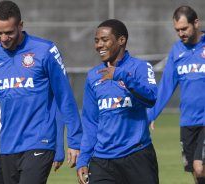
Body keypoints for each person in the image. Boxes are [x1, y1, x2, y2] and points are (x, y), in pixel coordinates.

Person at [0, 1, 82, 184]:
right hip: (8, 144)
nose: (3, 38)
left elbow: (64, 97)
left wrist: (74, 141)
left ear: (20, 26)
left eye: (9, 32)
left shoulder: (45, 51)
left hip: (39, 140)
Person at [76, 19, 159, 184]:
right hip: (102, 160)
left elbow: (151, 98)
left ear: (122, 40)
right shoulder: (93, 76)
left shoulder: (140, 67)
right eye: (96, 41)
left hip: (137, 155)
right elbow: (91, 122)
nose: (99, 45)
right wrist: (83, 159)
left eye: (104, 40)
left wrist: (122, 76)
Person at [147, 5, 205, 184]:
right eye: (177, 30)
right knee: (195, 174)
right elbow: (166, 85)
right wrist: (152, 113)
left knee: (199, 166)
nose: (181, 33)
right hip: (187, 121)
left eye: (184, 28)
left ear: (196, 23)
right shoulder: (177, 51)